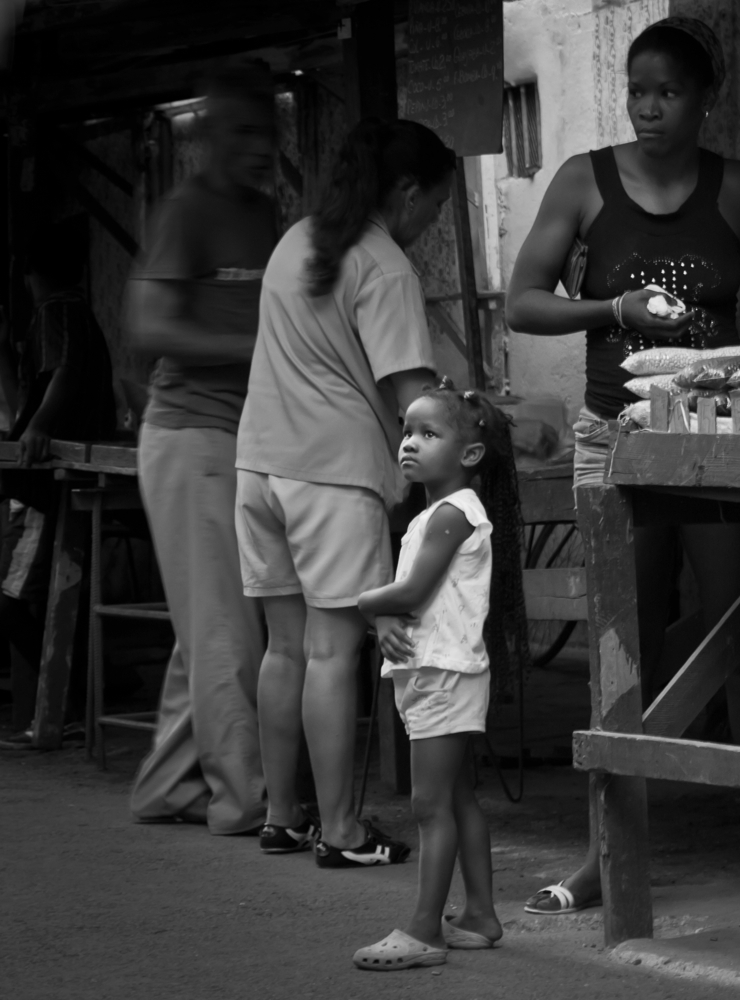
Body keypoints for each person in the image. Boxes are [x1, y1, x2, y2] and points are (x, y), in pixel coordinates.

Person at [505, 16, 740, 912]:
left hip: (719, 436)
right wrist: (611, 308)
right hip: (616, 438)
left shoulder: (737, 190)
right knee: (625, 643)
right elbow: (522, 306)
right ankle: (601, 856)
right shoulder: (584, 182)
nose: (649, 109)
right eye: (637, 91)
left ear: (704, 100)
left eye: (669, 92)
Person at [236, 118, 453, 867]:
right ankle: (343, 831)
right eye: (434, 209)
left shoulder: (296, 240)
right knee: (333, 653)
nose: (430, 226)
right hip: (331, 476)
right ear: (409, 192)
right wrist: (484, 424)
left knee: (285, 649)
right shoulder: (385, 265)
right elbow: (415, 398)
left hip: (259, 465)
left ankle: (282, 815)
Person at [126, 62, 279, 833]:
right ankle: (245, 799)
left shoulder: (268, 214)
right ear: (205, 140)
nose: (259, 147)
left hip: (239, 436)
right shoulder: (186, 211)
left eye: (268, 131)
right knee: (225, 632)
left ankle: (168, 786)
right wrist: (253, 345)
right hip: (189, 435)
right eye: (242, 132)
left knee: (210, 626)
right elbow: (148, 327)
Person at [351, 380, 505, 971]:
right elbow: (420, 598)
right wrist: (387, 612)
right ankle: (480, 916)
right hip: (437, 671)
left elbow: (413, 590)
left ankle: (423, 931)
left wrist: (365, 602)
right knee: (457, 796)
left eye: (428, 434)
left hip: (443, 675)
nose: (409, 444)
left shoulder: (451, 513)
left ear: (469, 455)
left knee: (428, 804)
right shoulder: (434, 515)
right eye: (407, 431)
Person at [0, 221, 116, 747]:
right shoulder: (73, 309)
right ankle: (87, 692)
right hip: (56, 475)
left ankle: (69, 703)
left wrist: (41, 427)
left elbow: (63, 371)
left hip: (53, 480)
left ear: (31, 275)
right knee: (39, 598)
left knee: (15, 599)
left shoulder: (57, 309)